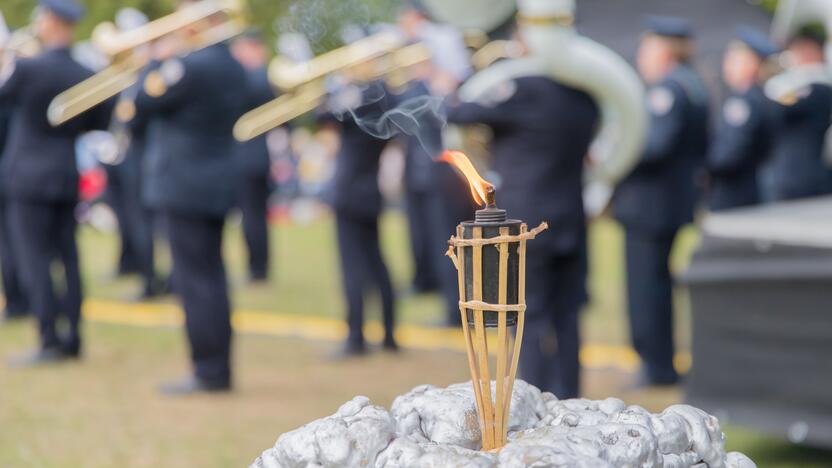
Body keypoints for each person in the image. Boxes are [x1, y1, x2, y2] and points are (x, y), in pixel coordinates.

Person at [446, 47, 600, 398]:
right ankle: (570, 399)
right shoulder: (584, 98)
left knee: (528, 315)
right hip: (572, 219)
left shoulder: (523, 90)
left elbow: (459, 113)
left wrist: (456, 86)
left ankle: (537, 397)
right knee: (568, 317)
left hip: (529, 225)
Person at [129, 7, 246, 394]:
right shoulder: (231, 63)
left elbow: (143, 102)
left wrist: (156, 59)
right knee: (211, 277)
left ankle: (208, 370)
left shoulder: (189, 66)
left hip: (183, 185)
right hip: (213, 183)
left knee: (195, 282)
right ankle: (218, 367)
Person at [0, 0, 111, 364]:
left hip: (27, 177)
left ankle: (49, 339)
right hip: (65, 174)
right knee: (69, 257)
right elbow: (101, 123)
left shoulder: (28, 68)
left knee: (35, 260)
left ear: (49, 22)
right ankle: (74, 337)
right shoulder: (85, 71)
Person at [613, 16, 709, 387]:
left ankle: (654, 365)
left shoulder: (667, 89)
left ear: (664, 51)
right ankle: (660, 362)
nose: (642, 56)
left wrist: (615, 149)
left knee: (645, 289)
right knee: (657, 286)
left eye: (647, 48)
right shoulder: (691, 84)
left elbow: (653, 147)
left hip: (650, 207)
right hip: (665, 204)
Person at [325, 82, 398, 358]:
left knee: (352, 268)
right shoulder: (386, 105)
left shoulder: (358, 104)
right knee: (377, 264)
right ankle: (389, 334)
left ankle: (356, 338)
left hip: (348, 194)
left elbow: (325, 116)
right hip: (370, 194)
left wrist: (336, 92)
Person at [707, 27, 778, 211]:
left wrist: (703, 169)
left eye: (734, 60)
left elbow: (728, 154)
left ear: (752, 64)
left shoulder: (744, 101)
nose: (727, 65)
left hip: (735, 192)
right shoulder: (759, 96)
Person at [760, 27, 832, 202]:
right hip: (789, 175)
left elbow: (778, 109)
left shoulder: (817, 87)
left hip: (801, 179)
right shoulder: (798, 85)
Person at [231, 29, 274, 283]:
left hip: (251, 158)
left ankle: (258, 269)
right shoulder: (256, 76)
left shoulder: (256, 76)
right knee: (253, 216)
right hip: (252, 156)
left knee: (253, 217)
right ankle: (258, 267)